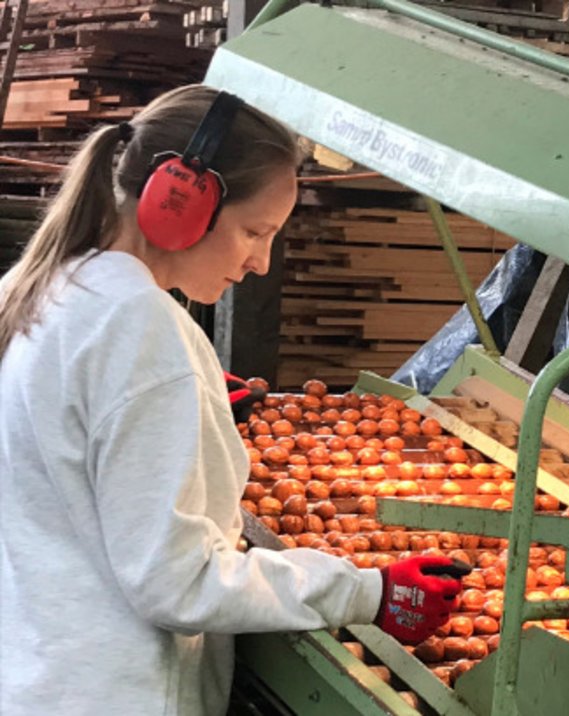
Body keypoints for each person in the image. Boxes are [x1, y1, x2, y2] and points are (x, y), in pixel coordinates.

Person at [0, 85, 461, 715]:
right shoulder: (139, 329)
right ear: (179, 203)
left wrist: (188, 407)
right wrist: (366, 592)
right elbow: (178, 581)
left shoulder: (43, 288)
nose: (261, 262)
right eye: (255, 231)